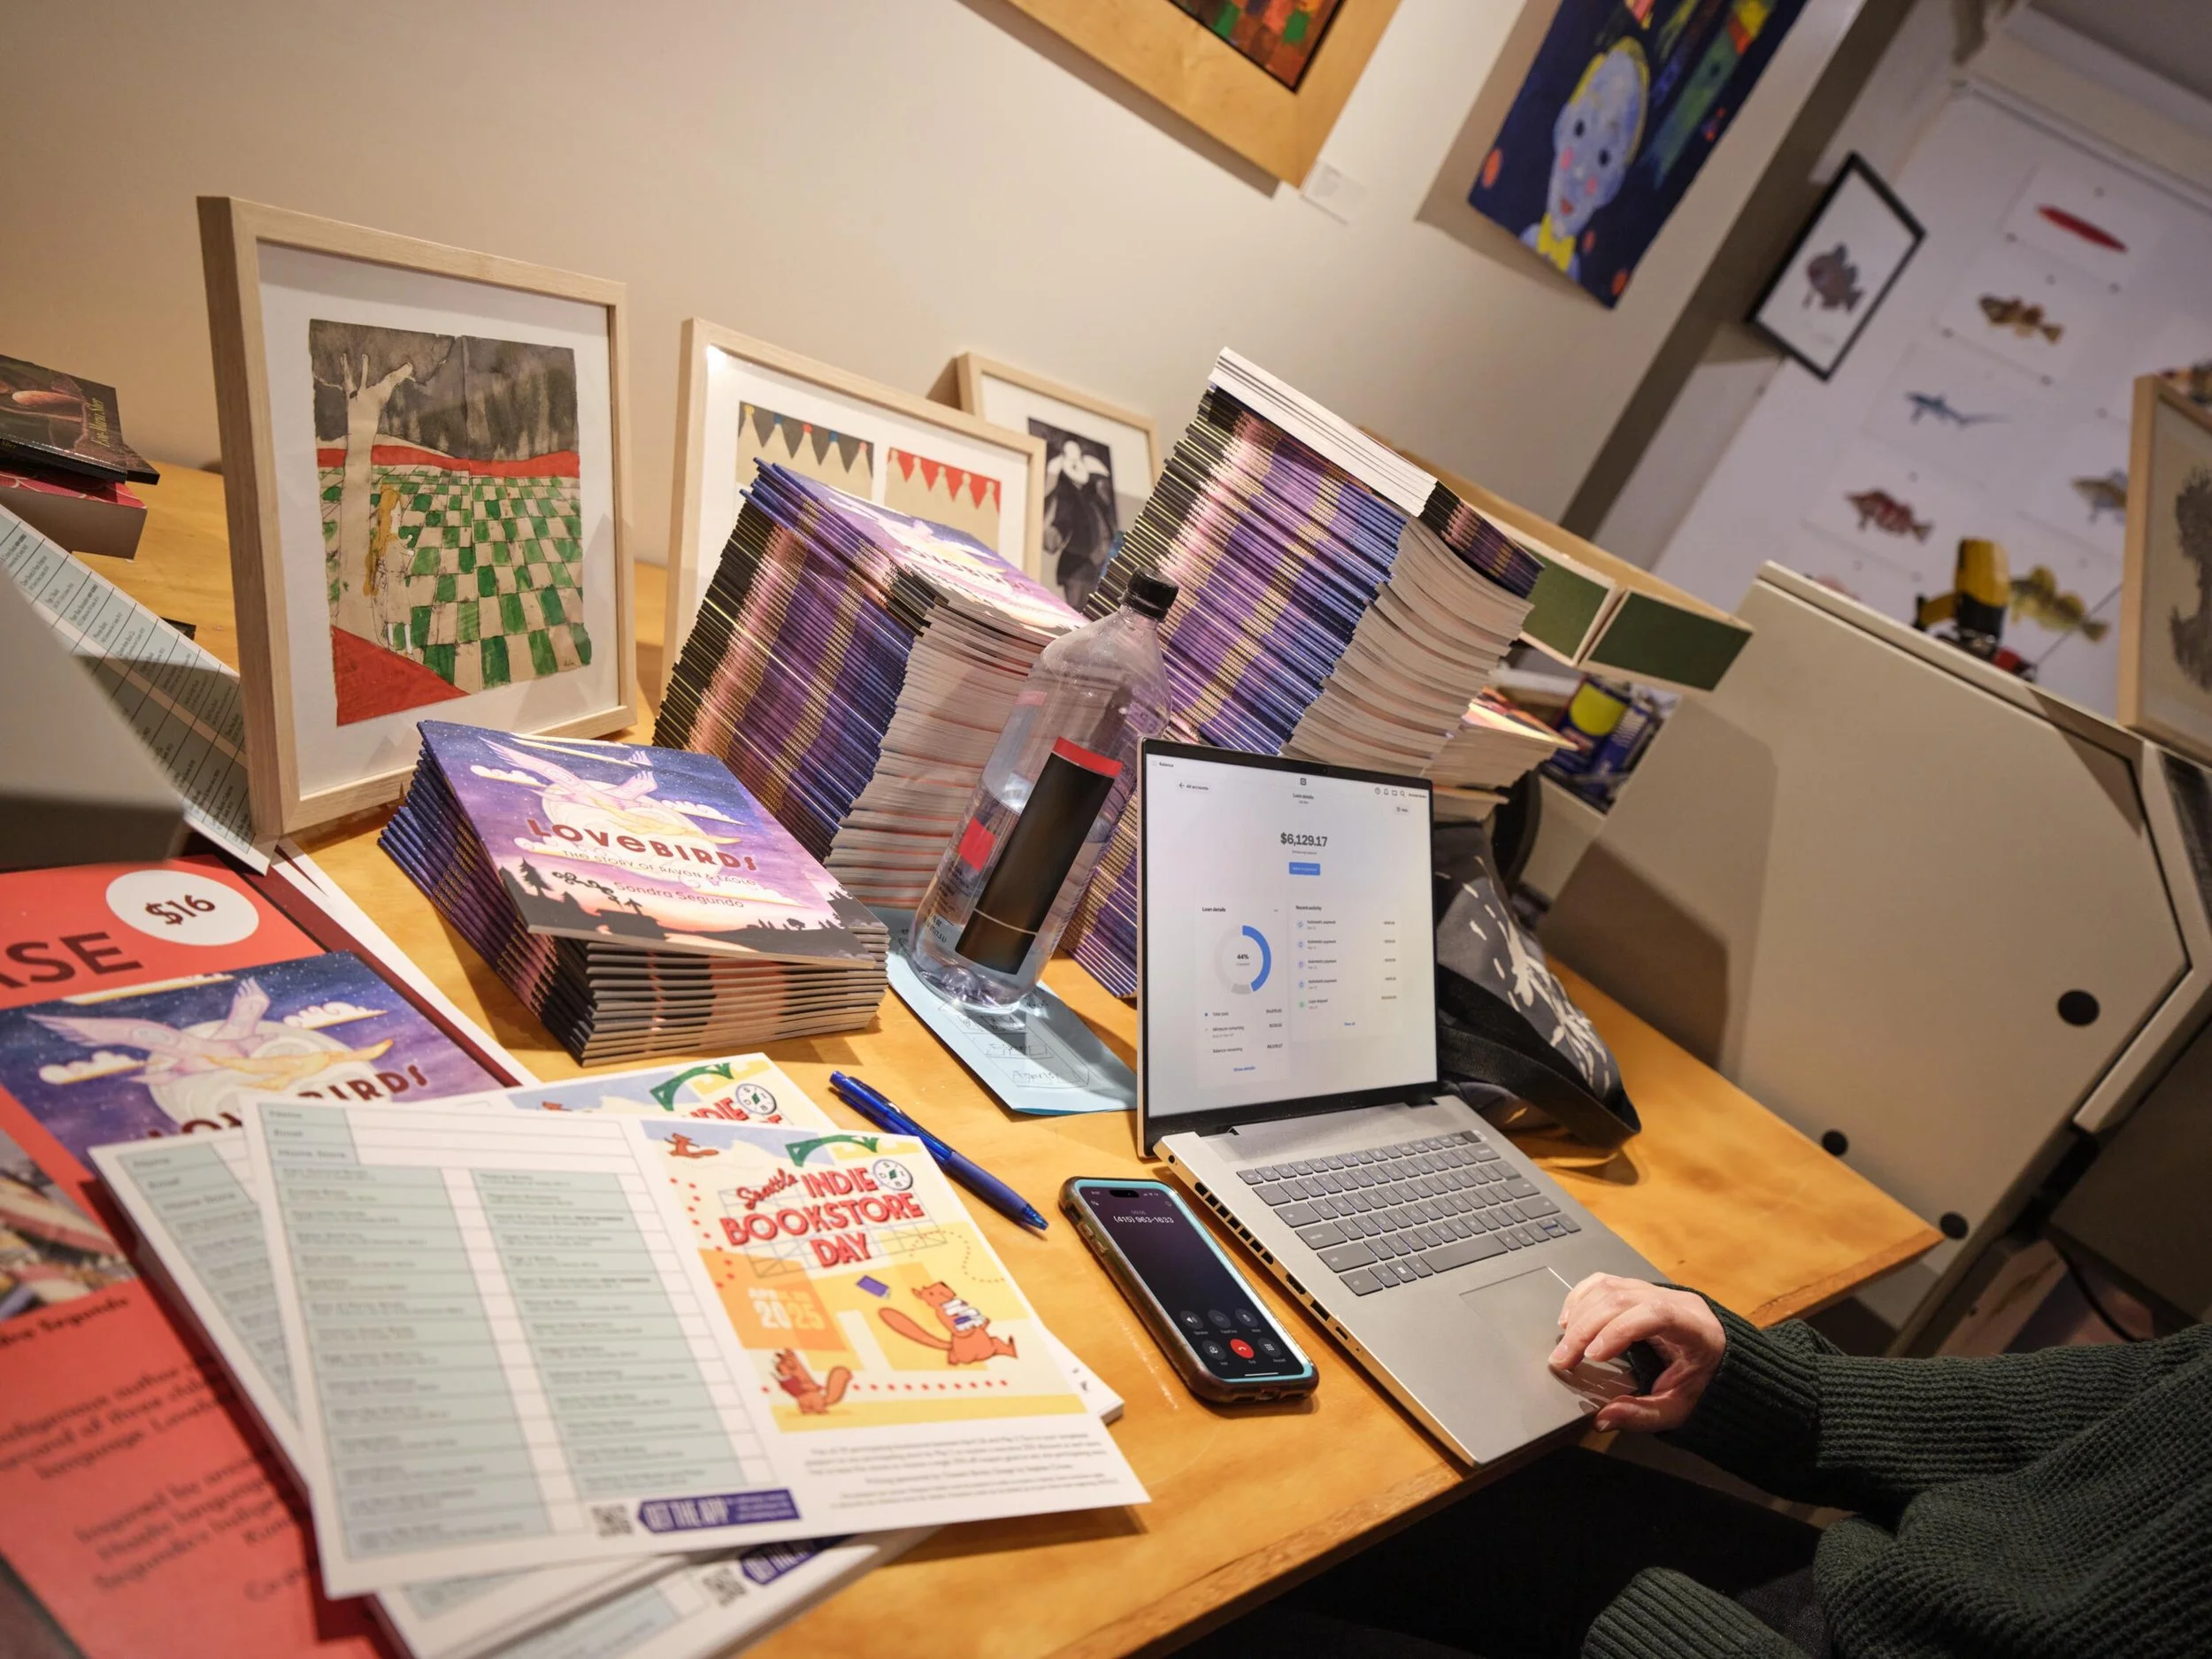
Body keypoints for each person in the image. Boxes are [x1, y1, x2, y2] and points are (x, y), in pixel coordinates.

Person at [1187, 1273, 2212, 1658]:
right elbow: (2143, 1411)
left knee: (1217, 1619)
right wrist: (1761, 1384)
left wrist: (1636, 1620)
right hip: (1872, 1607)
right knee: (1334, 1500)